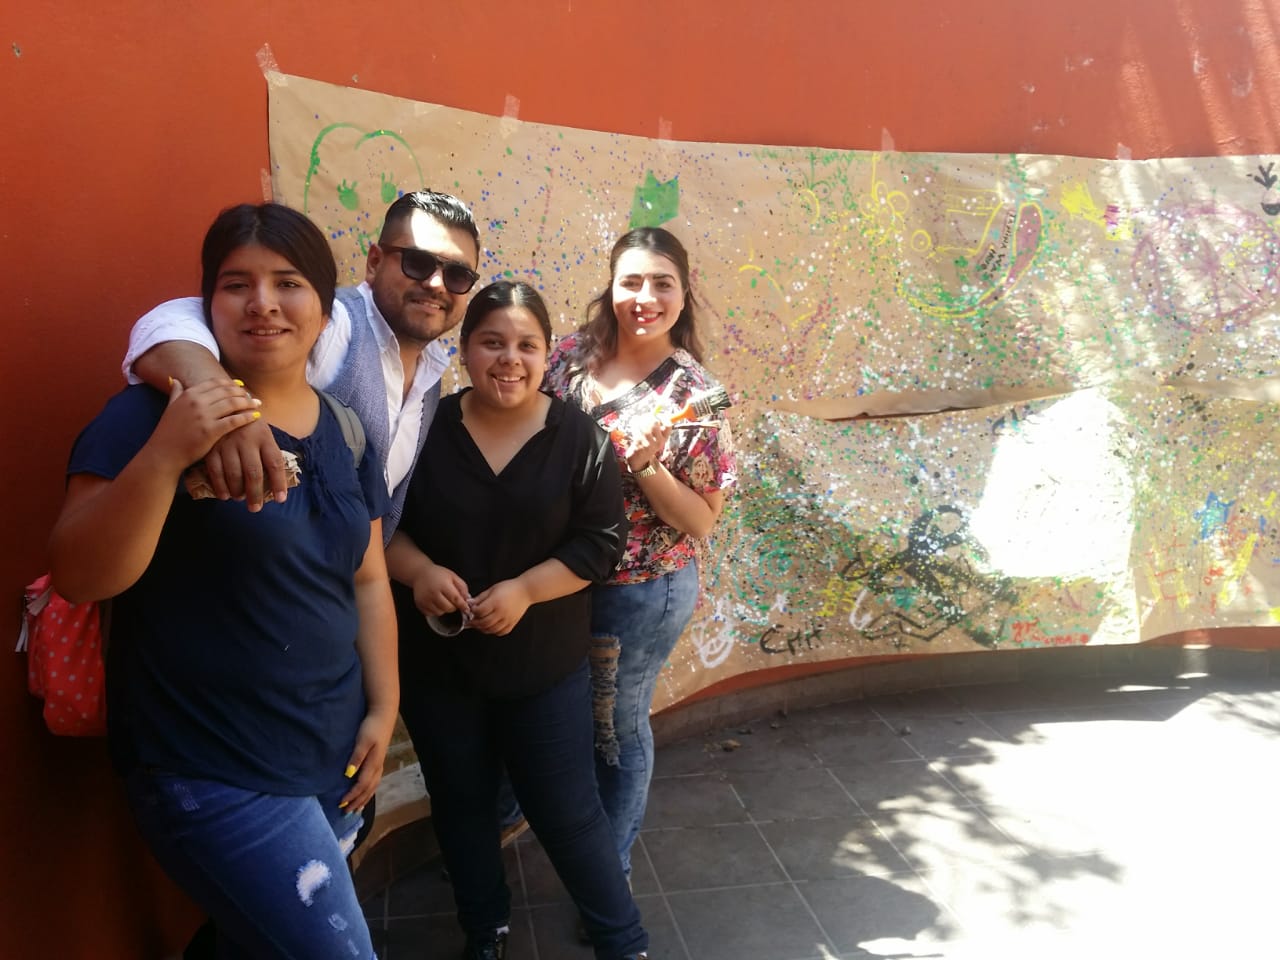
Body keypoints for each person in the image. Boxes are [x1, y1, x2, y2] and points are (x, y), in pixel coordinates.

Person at [48, 203, 397, 958]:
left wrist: (384, 704)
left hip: (331, 757)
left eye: (288, 283)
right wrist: (167, 454)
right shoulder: (146, 415)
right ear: (206, 304)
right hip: (212, 765)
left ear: (325, 308)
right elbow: (79, 576)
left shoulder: (344, 428)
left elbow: (367, 579)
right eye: (237, 284)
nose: (262, 303)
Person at [386, 281, 649, 960]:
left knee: (568, 812)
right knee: (461, 805)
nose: (509, 359)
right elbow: (380, 529)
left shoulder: (579, 438)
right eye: (492, 342)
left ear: (546, 353)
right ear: (465, 350)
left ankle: (623, 941)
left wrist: (528, 590)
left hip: (544, 668)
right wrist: (419, 573)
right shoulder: (423, 429)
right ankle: (485, 929)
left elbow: (600, 544)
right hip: (441, 669)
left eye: (527, 345)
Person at [544, 226, 738, 880]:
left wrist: (647, 465)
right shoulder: (568, 356)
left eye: (662, 283)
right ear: (611, 286)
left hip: (637, 590)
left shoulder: (695, 395)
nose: (645, 297)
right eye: (631, 281)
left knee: (615, 729)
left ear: (684, 293)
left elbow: (702, 520)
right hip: (558, 575)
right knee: (557, 712)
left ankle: (609, 873)